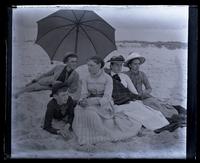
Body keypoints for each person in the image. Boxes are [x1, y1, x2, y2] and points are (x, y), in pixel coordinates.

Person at [72, 56, 143, 147]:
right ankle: (85, 136)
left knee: (91, 112)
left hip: (104, 103)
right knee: (79, 109)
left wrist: (92, 102)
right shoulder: (86, 78)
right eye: (88, 65)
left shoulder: (107, 78)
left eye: (91, 65)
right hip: (90, 100)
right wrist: (82, 100)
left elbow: (107, 97)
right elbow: (84, 93)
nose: (89, 68)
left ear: (99, 65)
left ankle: (96, 136)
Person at [123, 52, 186, 132]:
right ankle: (169, 120)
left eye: (138, 64)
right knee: (151, 109)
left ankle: (175, 116)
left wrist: (143, 93)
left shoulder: (142, 74)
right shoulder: (124, 75)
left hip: (144, 96)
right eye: (135, 64)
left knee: (158, 104)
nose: (137, 66)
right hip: (133, 99)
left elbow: (149, 88)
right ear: (130, 65)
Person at [105, 55, 170, 132]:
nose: (119, 67)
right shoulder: (106, 77)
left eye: (121, 65)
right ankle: (154, 126)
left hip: (128, 101)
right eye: (116, 65)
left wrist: (137, 98)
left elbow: (134, 92)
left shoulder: (124, 76)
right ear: (111, 66)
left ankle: (160, 125)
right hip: (116, 104)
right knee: (137, 113)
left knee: (147, 111)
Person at [14, 52, 79, 99]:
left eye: (75, 61)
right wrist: (35, 80)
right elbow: (46, 74)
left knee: (35, 87)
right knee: (30, 86)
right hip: (47, 82)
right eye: (72, 61)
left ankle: (19, 92)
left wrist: (64, 88)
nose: (74, 63)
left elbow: (73, 89)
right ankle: (17, 93)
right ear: (66, 62)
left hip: (55, 89)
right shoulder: (59, 67)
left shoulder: (75, 75)